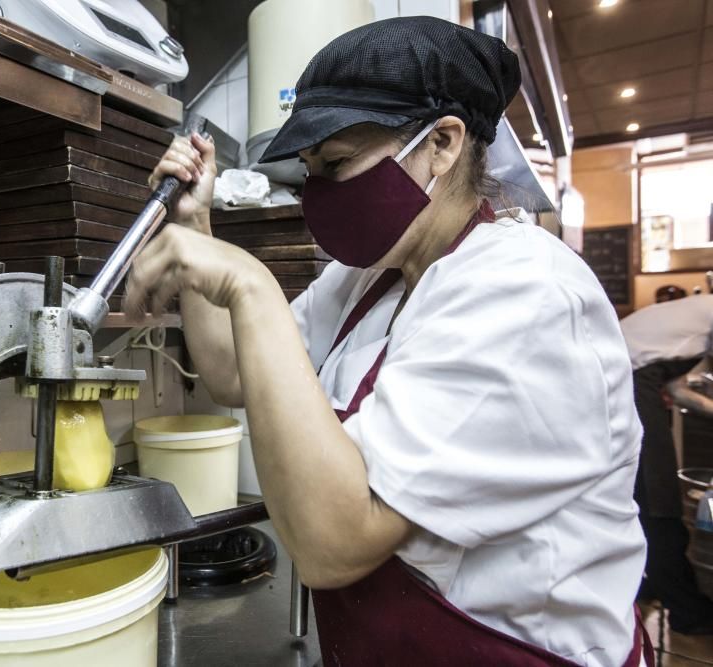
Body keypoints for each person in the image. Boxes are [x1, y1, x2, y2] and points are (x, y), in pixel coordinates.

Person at [126, 17, 651, 667]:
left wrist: (251, 284)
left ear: (443, 143)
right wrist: (197, 224)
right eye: (312, 171)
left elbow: (333, 541)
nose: (320, 193)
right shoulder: (368, 281)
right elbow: (233, 373)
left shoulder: (527, 294)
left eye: (339, 163)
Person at [620, 293, 713, 634]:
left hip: (628, 376)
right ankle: (685, 609)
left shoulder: (693, 316)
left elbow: (676, 389)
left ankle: (647, 583)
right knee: (658, 498)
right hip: (627, 380)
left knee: (641, 493)